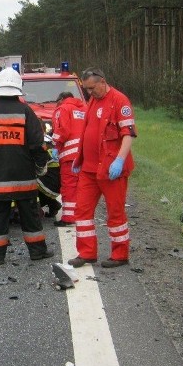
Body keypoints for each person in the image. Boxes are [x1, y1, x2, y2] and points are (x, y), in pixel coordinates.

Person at [0, 67, 53, 264]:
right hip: (23, 177)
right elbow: (37, 143)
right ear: (18, 88)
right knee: (30, 216)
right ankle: (37, 252)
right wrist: (41, 166)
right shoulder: (25, 111)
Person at [68, 67, 136, 268]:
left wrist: (120, 160)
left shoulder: (119, 101)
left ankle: (120, 254)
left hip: (110, 170)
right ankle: (87, 253)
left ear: (102, 81)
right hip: (89, 169)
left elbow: (128, 134)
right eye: (86, 89)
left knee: (115, 213)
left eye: (92, 88)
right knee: (82, 211)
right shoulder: (92, 101)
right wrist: (79, 157)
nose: (90, 92)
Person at [52, 91, 87, 226]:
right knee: (83, 186)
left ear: (61, 99)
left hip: (69, 155)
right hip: (86, 154)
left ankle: (69, 218)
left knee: (69, 186)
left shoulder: (62, 109)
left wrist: (55, 144)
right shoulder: (85, 108)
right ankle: (82, 215)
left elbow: (62, 131)